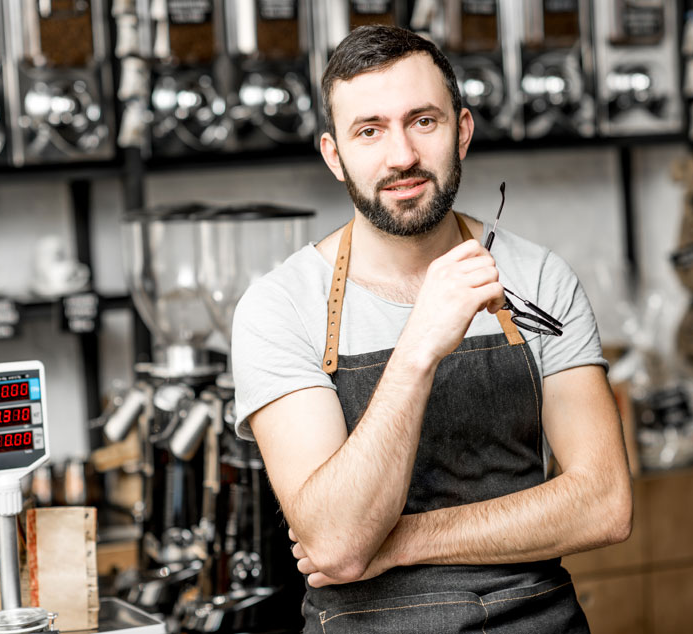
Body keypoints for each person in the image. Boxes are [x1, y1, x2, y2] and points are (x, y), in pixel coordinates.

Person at [231, 25, 633, 633]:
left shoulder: (541, 277)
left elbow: (604, 504)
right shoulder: (281, 306)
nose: (401, 157)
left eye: (423, 121)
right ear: (334, 155)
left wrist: (396, 543)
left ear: (462, 131)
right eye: (369, 131)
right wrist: (419, 346)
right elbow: (337, 542)